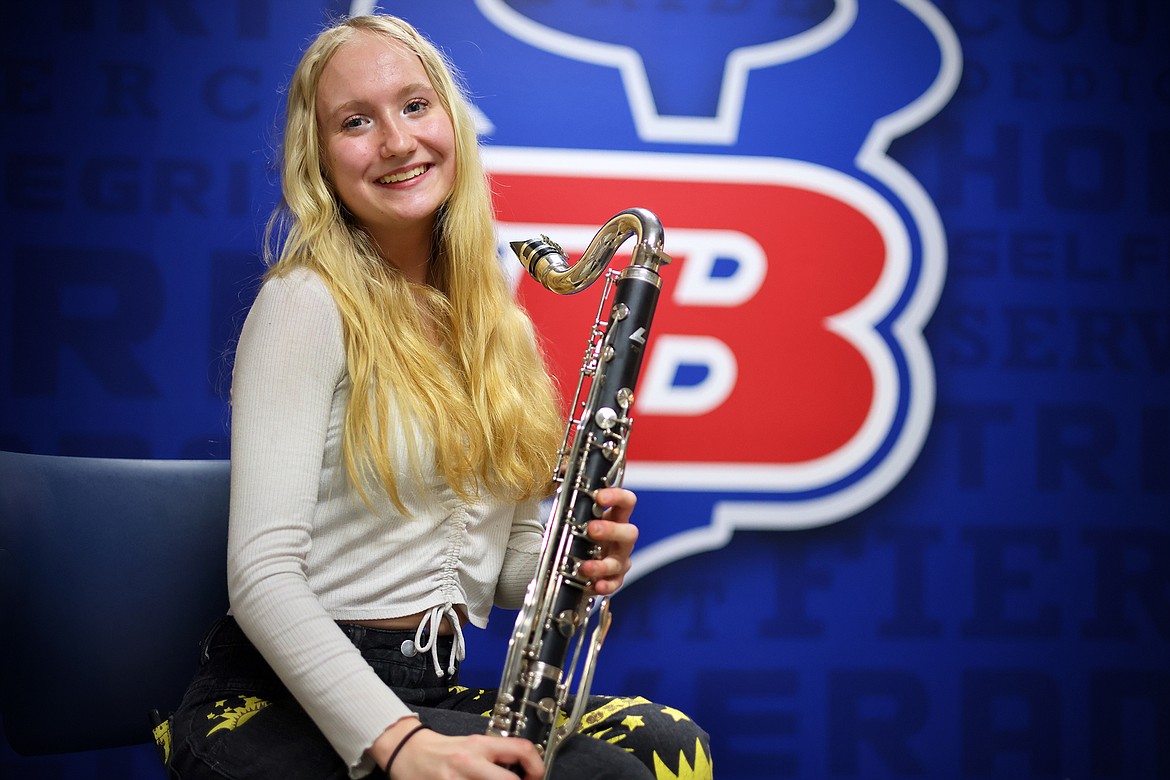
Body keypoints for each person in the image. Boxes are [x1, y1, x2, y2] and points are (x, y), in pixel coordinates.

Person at [159, 12, 710, 780]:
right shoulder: (304, 304)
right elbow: (261, 579)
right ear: (319, 160)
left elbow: (500, 563)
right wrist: (404, 746)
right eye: (357, 121)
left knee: (668, 745)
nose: (396, 141)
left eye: (415, 105)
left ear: (452, 121)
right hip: (272, 699)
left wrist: (571, 563)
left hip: (424, 686)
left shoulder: (499, 329)